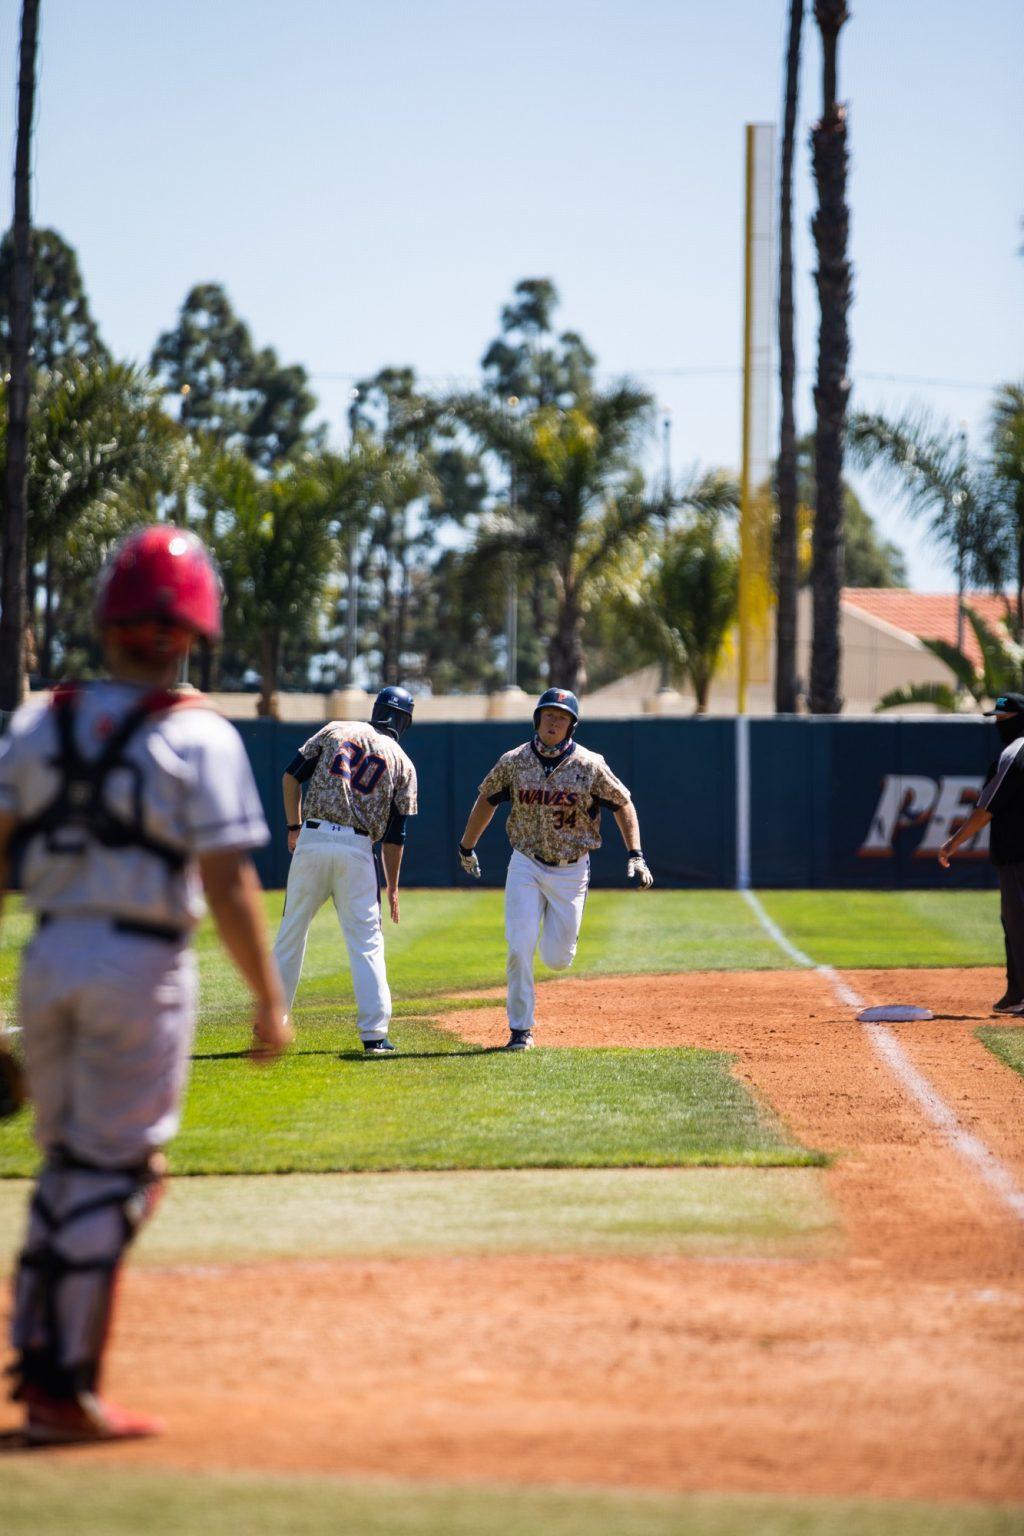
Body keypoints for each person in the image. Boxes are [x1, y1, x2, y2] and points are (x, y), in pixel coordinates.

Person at [0, 524, 291, 1446]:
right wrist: (268, 999)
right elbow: (228, 881)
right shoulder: (199, 736)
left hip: (45, 962)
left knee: (69, 1167)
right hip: (140, 968)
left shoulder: (35, 721)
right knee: (119, 1174)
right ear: (192, 628)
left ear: (106, 619)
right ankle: (59, 1387)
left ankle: (43, 1358)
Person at [457, 687, 653, 1049]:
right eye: (547, 714)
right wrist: (467, 846)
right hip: (526, 863)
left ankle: (560, 940)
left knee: (557, 959)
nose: (553, 721)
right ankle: (520, 1029)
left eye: (561, 717)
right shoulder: (514, 761)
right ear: (537, 719)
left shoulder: (589, 764)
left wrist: (636, 854)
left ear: (571, 726)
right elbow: (486, 800)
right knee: (519, 947)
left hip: (571, 870)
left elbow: (623, 804)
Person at [272, 687, 417, 1053]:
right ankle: (374, 1037)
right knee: (366, 943)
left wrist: (294, 826)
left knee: (291, 934)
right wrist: (393, 886)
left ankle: (270, 1024)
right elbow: (395, 838)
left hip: (313, 838)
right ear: (405, 721)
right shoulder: (403, 762)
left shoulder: (336, 729)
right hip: (357, 850)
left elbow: (291, 777)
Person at [939, 691, 1024, 1014]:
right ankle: (1016, 993)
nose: (1000, 725)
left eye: (1005, 720)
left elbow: (986, 809)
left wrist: (953, 842)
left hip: (1017, 855)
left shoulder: (1014, 753)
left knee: (1018, 924)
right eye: (997, 719)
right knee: (1014, 923)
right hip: (1015, 853)